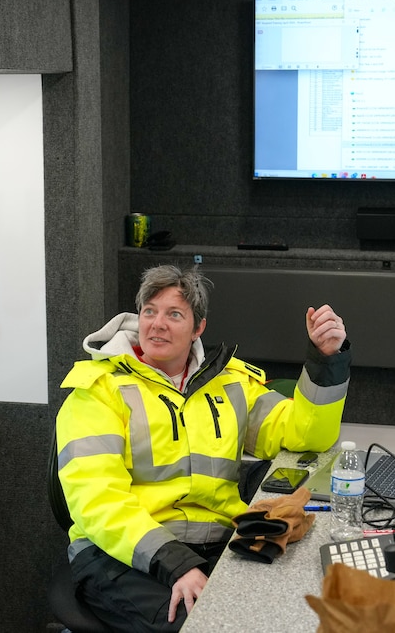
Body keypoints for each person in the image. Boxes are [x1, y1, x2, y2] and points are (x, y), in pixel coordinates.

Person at [56, 264, 350, 632]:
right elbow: (96, 502)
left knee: (292, 610)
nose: (157, 323)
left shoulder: (229, 384)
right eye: (150, 311)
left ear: (199, 328)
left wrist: (325, 361)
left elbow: (306, 435)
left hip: (215, 544)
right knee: (207, 626)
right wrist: (176, 563)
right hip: (120, 554)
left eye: (174, 314)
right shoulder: (98, 393)